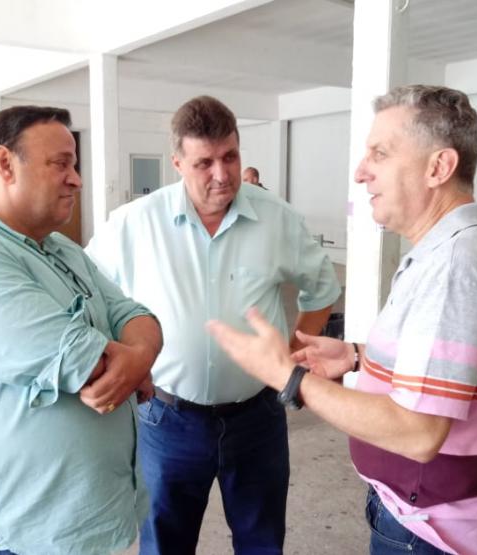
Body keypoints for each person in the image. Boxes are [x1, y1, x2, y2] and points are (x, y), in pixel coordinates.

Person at [208, 85, 477, 555]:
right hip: (445, 515)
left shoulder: (453, 268)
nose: (361, 172)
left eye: (379, 154)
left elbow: (417, 431)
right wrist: (358, 355)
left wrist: (288, 376)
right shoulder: (473, 248)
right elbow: (455, 369)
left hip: (427, 529)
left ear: (438, 167)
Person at [86, 95, 341, 554]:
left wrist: (289, 358)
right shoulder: (134, 224)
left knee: (262, 540)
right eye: (204, 162)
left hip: (257, 418)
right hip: (167, 420)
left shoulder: (276, 219)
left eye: (230, 157)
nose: (221, 175)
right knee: (165, 540)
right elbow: (89, 298)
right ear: (178, 163)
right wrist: (122, 360)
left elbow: (321, 290)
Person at [0, 105, 163, 555]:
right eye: (61, 163)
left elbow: (135, 315)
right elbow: (91, 366)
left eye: (75, 165)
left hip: (98, 524)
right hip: (24, 538)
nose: (76, 179)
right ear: (5, 164)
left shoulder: (60, 248)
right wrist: (135, 360)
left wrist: (136, 355)